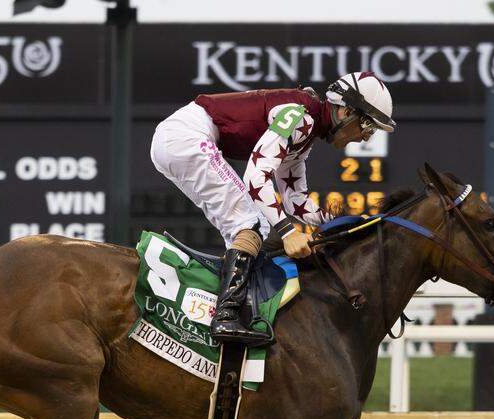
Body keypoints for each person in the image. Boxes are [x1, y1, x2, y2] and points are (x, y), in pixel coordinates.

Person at [151, 72, 396, 345]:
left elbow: (295, 199)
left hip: (178, 138)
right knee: (252, 223)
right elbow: (256, 178)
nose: (365, 138)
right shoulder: (300, 117)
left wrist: (348, 223)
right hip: (185, 137)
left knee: (245, 230)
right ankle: (226, 316)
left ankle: (224, 307)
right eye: (367, 126)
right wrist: (288, 233)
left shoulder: (306, 129)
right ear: (346, 111)